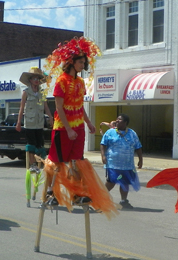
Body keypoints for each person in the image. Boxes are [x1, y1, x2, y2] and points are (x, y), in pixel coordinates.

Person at [41, 37, 118, 218]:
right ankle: (51, 193)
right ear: (71, 62)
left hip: (78, 129)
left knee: (76, 162)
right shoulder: (61, 81)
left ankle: (77, 193)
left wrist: (88, 122)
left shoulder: (81, 83)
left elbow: (79, 106)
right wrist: (68, 129)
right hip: (62, 129)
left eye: (84, 62)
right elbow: (59, 108)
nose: (83, 65)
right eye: (80, 62)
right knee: (58, 162)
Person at [100, 114, 143, 209]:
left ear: (125, 122)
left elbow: (138, 147)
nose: (117, 121)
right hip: (112, 163)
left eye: (119, 120)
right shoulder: (110, 132)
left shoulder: (132, 133)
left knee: (125, 183)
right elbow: (103, 144)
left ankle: (123, 201)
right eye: (117, 119)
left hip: (127, 165)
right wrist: (103, 156)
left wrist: (140, 159)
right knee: (111, 182)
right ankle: (100, 199)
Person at [16, 67, 53, 173]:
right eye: (34, 78)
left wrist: (50, 118)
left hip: (39, 122)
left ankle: (39, 164)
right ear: (30, 80)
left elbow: (46, 106)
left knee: (40, 144)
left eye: (38, 78)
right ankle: (32, 164)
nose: (36, 80)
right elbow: (21, 108)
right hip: (30, 123)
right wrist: (19, 122)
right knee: (31, 144)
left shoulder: (42, 92)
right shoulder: (26, 92)